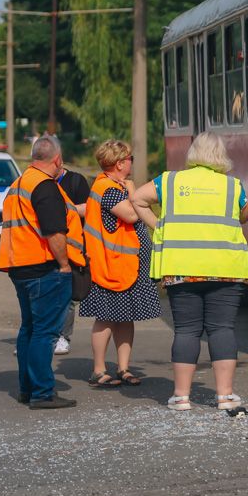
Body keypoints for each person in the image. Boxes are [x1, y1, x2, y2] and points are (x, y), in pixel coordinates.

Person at [130, 132, 248, 412]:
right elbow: (246, 213)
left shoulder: (170, 181)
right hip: (225, 269)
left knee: (186, 330)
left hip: (181, 267)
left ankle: (182, 397)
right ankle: (224, 396)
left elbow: (137, 199)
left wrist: (159, 225)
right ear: (220, 155)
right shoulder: (232, 186)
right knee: (222, 329)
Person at [0, 135, 85, 409]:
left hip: (19, 266)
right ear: (57, 160)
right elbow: (55, 232)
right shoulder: (45, 187)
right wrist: (64, 264)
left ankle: (27, 389)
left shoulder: (18, 184)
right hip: (44, 268)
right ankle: (42, 393)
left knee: (30, 329)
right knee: (45, 333)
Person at [79, 139, 162, 388]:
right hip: (114, 265)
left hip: (126, 265)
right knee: (106, 317)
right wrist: (135, 191)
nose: (131, 163)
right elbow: (132, 213)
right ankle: (99, 369)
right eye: (130, 160)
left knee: (125, 317)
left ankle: (123, 368)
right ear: (119, 163)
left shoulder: (112, 186)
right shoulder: (110, 189)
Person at [54, 165, 92, 355]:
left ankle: (63, 336)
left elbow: (88, 209)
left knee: (67, 296)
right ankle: (40, 336)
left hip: (71, 247)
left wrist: (60, 210)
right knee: (42, 293)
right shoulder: (40, 182)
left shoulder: (76, 181)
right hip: (44, 246)